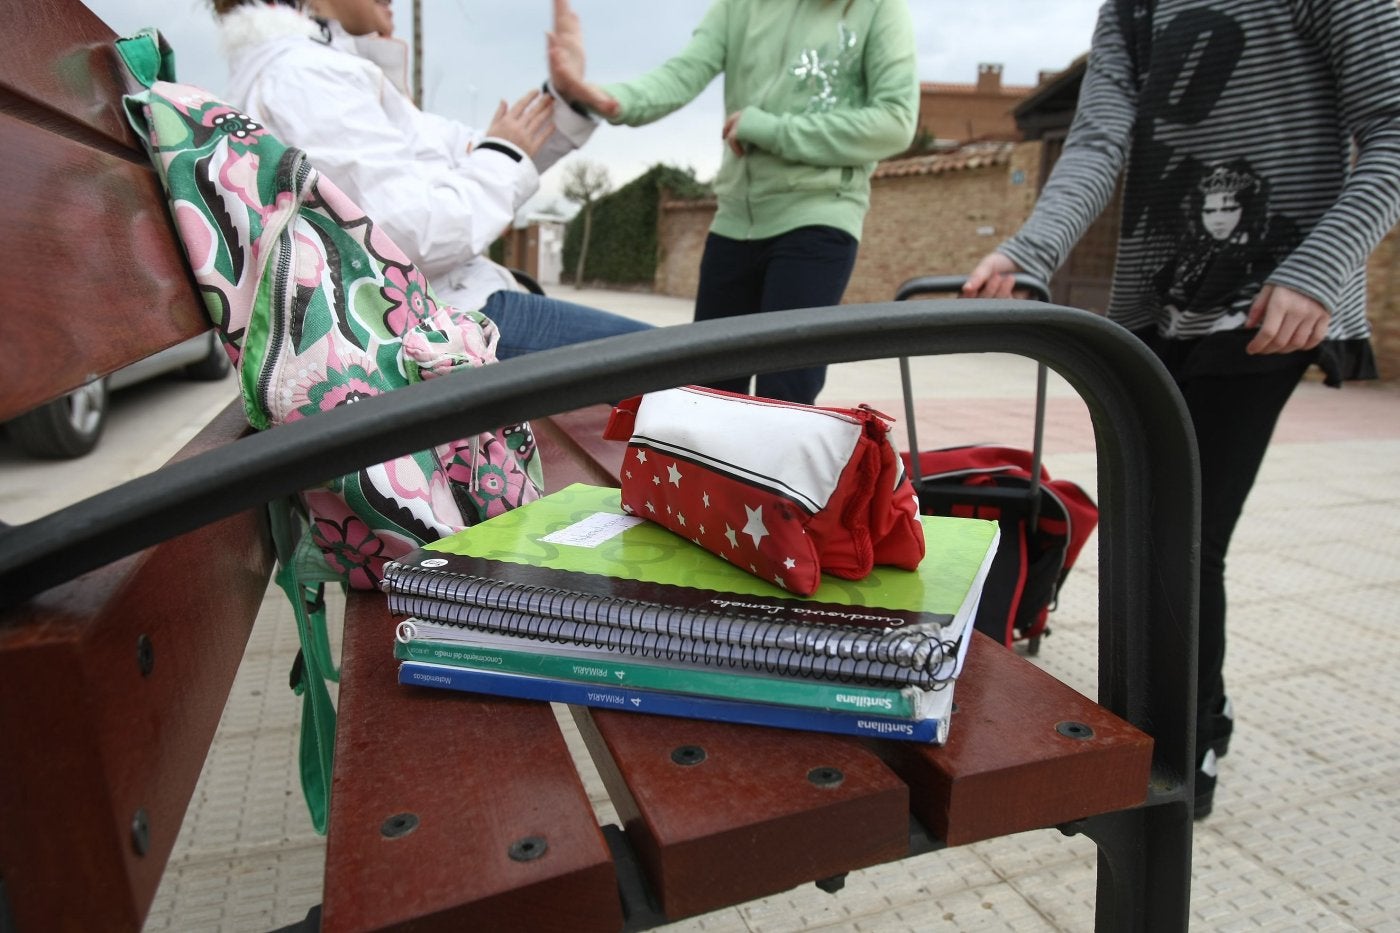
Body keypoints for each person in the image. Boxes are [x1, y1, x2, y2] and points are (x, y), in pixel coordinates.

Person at [962, 0, 1400, 818]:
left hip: (1276, 296)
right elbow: (1098, 140)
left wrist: (1321, 269)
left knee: (1187, 537)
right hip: (1157, 302)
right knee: (1151, 522)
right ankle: (1209, 707)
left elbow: (1394, 127)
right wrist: (1031, 252)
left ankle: (1176, 752)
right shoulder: (1130, 7)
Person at [212, 0, 652, 359]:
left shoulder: (320, 70)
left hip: (437, 319)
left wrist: (563, 101)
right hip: (437, 334)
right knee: (705, 366)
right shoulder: (306, 78)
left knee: (700, 363)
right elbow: (412, 235)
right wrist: (501, 152)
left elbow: (477, 153)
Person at [549, 0, 919, 404]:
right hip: (733, 222)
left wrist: (770, 129)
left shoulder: (880, 8)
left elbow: (894, 122)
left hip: (820, 217)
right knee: (709, 392)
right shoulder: (738, 6)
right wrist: (604, 99)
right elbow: (681, 73)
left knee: (786, 397)